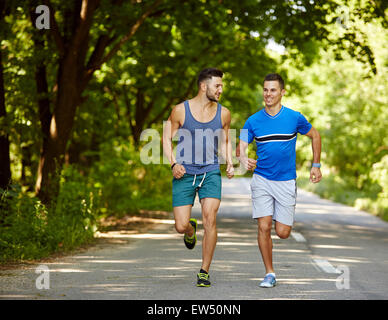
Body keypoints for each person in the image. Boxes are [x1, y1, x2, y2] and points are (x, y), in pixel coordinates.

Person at [237, 73, 322, 288]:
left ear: (282, 92)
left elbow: (316, 136)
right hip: (262, 179)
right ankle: (269, 273)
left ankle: (279, 216)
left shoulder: (294, 118)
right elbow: (241, 148)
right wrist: (244, 159)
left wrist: (316, 164)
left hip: (285, 181)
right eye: (265, 89)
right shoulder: (253, 120)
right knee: (263, 226)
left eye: (273, 90)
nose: (268, 94)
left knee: (283, 233)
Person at [162, 68, 234, 287]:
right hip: (184, 172)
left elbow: (226, 141)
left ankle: (204, 270)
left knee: (210, 217)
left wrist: (229, 162)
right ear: (204, 86)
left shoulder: (224, 113)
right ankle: (190, 230)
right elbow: (166, 138)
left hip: (210, 171)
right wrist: (173, 163)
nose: (221, 89)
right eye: (217, 86)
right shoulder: (180, 111)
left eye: (222, 85)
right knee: (180, 226)